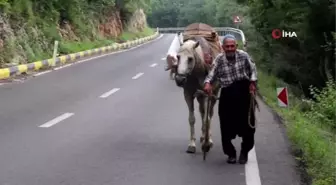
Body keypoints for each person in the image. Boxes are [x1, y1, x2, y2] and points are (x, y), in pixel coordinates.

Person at [203, 34, 257, 164]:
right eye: (227, 46)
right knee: (225, 125)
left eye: (232, 46)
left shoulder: (243, 56)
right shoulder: (219, 59)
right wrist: (207, 83)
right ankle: (231, 153)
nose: (230, 48)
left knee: (248, 126)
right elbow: (212, 73)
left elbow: (253, 70)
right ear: (223, 47)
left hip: (244, 92)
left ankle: (244, 152)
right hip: (227, 93)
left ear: (236, 46)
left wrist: (253, 83)